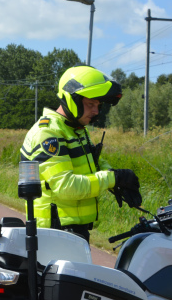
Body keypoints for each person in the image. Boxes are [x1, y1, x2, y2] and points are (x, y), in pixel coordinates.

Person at [20, 66, 142, 242]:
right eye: (90, 104)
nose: (96, 112)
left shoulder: (75, 129)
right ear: (72, 99)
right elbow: (66, 186)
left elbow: (93, 163)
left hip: (73, 231)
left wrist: (118, 178)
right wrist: (113, 178)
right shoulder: (49, 133)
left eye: (98, 105)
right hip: (54, 233)